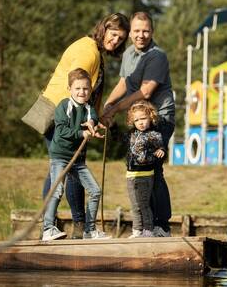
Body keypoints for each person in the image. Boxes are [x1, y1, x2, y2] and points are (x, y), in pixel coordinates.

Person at [41, 13, 130, 239]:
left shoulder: (94, 50)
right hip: (59, 115)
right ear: (103, 29)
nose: (115, 41)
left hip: (64, 113)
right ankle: (68, 229)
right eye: (113, 35)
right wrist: (86, 121)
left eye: (120, 39)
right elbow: (78, 87)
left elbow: (86, 95)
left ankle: (72, 229)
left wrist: (97, 118)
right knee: (67, 168)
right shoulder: (88, 51)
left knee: (65, 168)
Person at [102, 11, 175, 237]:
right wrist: (108, 104)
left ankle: (161, 225)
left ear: (152, 32)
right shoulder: (129, 54)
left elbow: (145, 91)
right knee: (139, 168)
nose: (140, 35)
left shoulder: (157, 56)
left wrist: (115, 110)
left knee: (154, 169)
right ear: (130, 33)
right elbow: (125, 82)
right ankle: (146, 226)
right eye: (136, 31)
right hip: (140, 118)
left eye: (145, 31)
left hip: (159, 118)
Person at [42, 68, 109, 240]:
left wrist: (93, 126)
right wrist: (82, 133)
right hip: (60, 156)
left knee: (95, 191)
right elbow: (62, 130)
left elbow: (92, 118)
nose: (82, 92)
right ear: (69, 89)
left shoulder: (89, 108)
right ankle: (48, 228)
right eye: (78, 88)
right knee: (57, 191)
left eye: (86, 88)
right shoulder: (64, 105)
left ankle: (89, 230)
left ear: (90, 90)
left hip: (77, 159)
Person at [114, 100, 165, 238]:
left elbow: (160, 147)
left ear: (151, 117)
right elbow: (119, 138)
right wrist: (112, 126)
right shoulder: (131, 134)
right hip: (131, 174)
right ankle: (137, 230)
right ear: (132, 121)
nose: (140, 122)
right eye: (137, 120)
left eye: (143, 118)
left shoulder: (153, 135)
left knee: (143, 204)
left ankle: (148, 230)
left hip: (145, 174)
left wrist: (161, 150)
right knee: (134, 205)